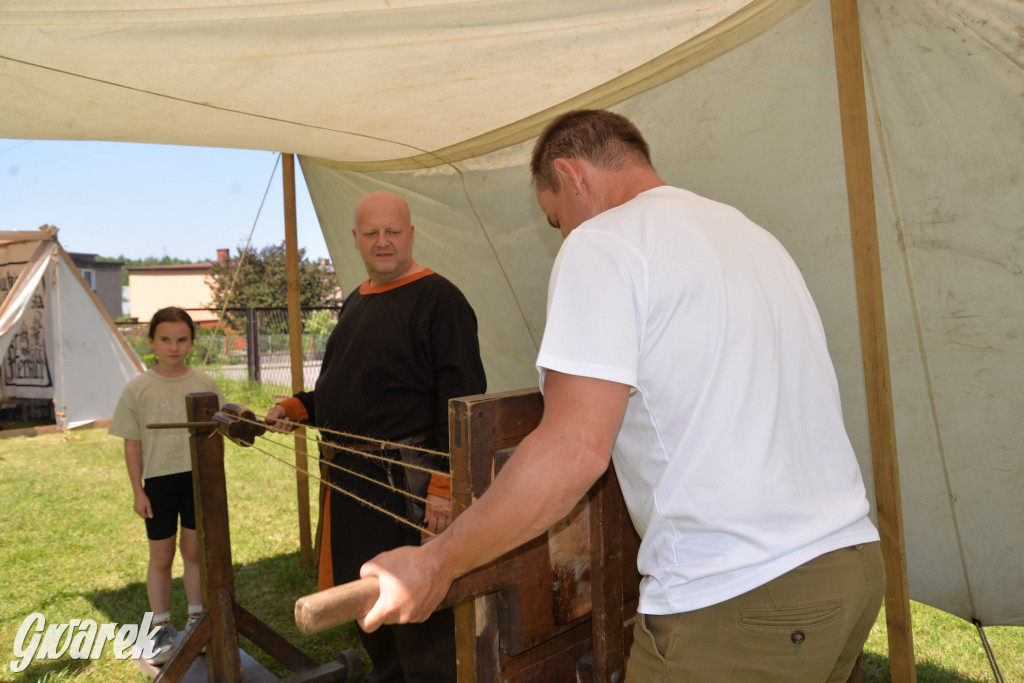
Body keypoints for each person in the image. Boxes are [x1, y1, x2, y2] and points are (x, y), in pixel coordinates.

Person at [356, 110, 885, 682]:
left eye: (556, 219)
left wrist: (435, 562)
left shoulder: (603, 242)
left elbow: (574, 449)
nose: (565, 234)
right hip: (850, 564)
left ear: (571, 175)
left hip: (739, 592)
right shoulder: (750, 233)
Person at [265, 190, 486, 682]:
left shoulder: (440, 299)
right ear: (356, 239)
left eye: (393, 231)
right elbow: (349, 389)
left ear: (411, 234)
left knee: (417, 614)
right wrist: (298, 407)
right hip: (352, 483)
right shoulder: (357, 300)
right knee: (369, 606)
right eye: (371, 233)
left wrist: (444, 483)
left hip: (406, 485)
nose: (383, 241)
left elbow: (462, 400)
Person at [108, 306, 225, 665]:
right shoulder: (137, 388)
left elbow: (220, 429)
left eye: (182, 340)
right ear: (151, 342)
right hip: (158, 483)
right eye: (165, 340)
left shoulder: (205, 383)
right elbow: (132, 443)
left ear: (192, 341)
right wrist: (138, 490)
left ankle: (197, 622)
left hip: (197, 481)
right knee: (161, 556)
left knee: (194, 553)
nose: (174, 347)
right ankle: (160, 628)